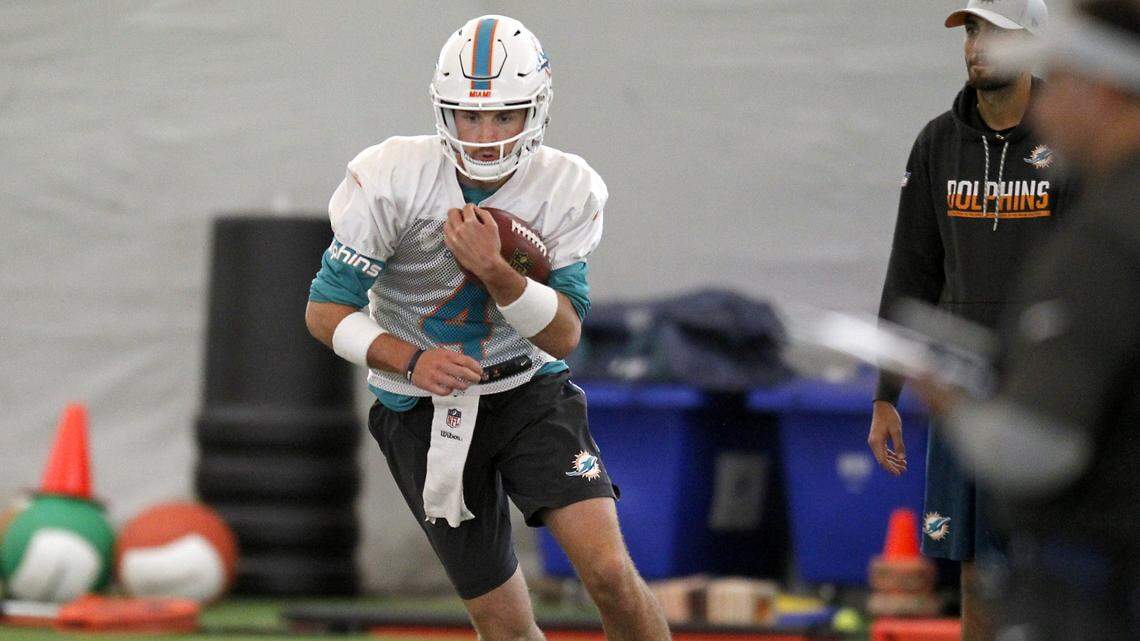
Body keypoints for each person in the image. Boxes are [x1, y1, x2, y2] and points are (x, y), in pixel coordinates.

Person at [304, 14, 670, 641]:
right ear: (442, 113)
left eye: (504, 115)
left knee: (609, 575)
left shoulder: (565, 186)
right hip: (421, 406)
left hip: (529, 390)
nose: (485, 134)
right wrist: (412, 361)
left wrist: (499, 275)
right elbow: (324, 311)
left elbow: (563, 336)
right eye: (469, 116)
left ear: (538, 111)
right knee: (503, 625)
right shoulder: (392, 177)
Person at [917, 1, 1140, 638]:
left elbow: (1037, 448)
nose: (1045, 106)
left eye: (1061, 82)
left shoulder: (1105, 239)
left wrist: (956, 403)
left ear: (1103, 92)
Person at [865, 1, 1077, 638]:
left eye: (996, 32)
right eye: (972, 31)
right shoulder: (937, 143)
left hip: (1048, 393)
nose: (978, 46)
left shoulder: (1069, 139)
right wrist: (885, 395)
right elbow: (911, 276)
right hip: (963, 396)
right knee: (977, 574)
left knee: (1053, 570)